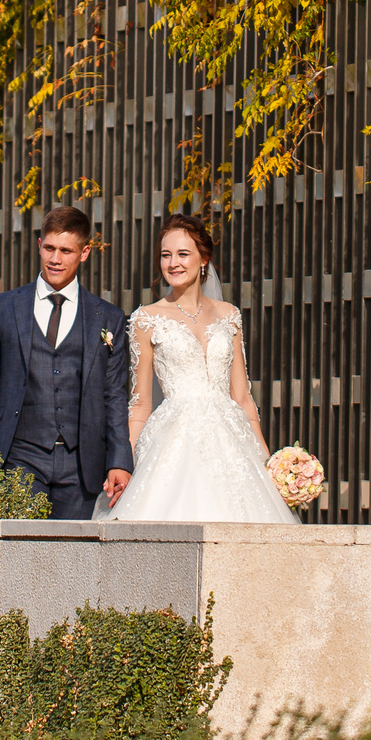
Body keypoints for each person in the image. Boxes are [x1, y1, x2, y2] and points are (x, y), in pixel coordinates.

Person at [92, 215, 294, 524]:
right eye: (165, 255)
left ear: (204, 259)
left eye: (183, 254)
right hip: (174, 440)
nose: (173, 263)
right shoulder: (146, 319)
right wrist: (123, 461)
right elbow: (140, 404)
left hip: (232, 440)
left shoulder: (230, 315)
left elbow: (242, 397)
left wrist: (269, 462)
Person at [0, 205, 133, 520]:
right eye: (50, 248)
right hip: (19, 455)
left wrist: (120, 460)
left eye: (66, 251)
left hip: (82, 463)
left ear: (83, 253)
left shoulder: (107, 316)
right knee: (19, 555)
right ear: (39, 244)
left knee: (73, 560)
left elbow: (114, 394)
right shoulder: (3, 307)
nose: (55, 258)